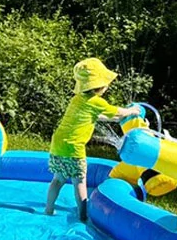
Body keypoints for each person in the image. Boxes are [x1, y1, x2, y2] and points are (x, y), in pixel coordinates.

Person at [44, 58, 142, 223]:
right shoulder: (97, 102)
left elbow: (96, 116)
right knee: (80, 182)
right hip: (74, 148)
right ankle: (83, 216)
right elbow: (119, 112)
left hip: (58, 145)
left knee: (57, 179)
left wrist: (115, 119)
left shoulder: (77, 99)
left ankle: (48, 209)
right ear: (101, 85)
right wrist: (132, 111)